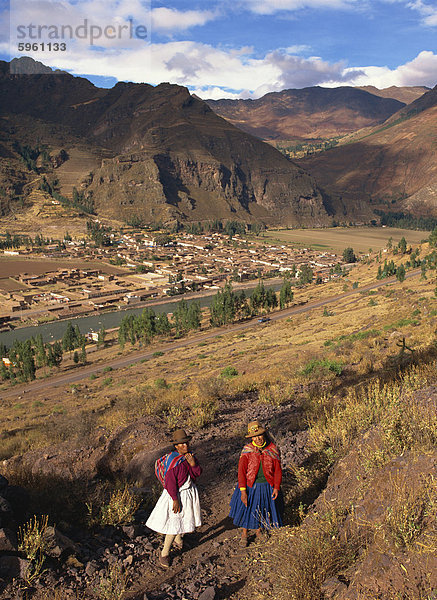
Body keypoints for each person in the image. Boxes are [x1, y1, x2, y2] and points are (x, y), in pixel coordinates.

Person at [146, 429, 202, 568]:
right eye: (181, 444)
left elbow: (197, 474)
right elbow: (170, 482)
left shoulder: (189, 457)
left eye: (186, 443)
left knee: (180, 518)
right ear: (176, 446)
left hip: (187, 492)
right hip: (176, 494)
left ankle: (178, 540)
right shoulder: (173, 461)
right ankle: (164, 554)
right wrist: (175, 499)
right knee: (174, 522)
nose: (185, 446)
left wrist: (193, 464)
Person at [229, 420, 283, 546]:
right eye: (254, 436)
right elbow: (241, 472)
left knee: (261, 507)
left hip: (266, 485)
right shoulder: (247, 450)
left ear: (264, 434)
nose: (257, 438)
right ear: (251, 437)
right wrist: (243, 490)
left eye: (259, 435)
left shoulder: (272, 449)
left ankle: (258, 530)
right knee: (247, 508)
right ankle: (244, 533)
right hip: (249, 486)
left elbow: (278, 471)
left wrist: (276, 487)